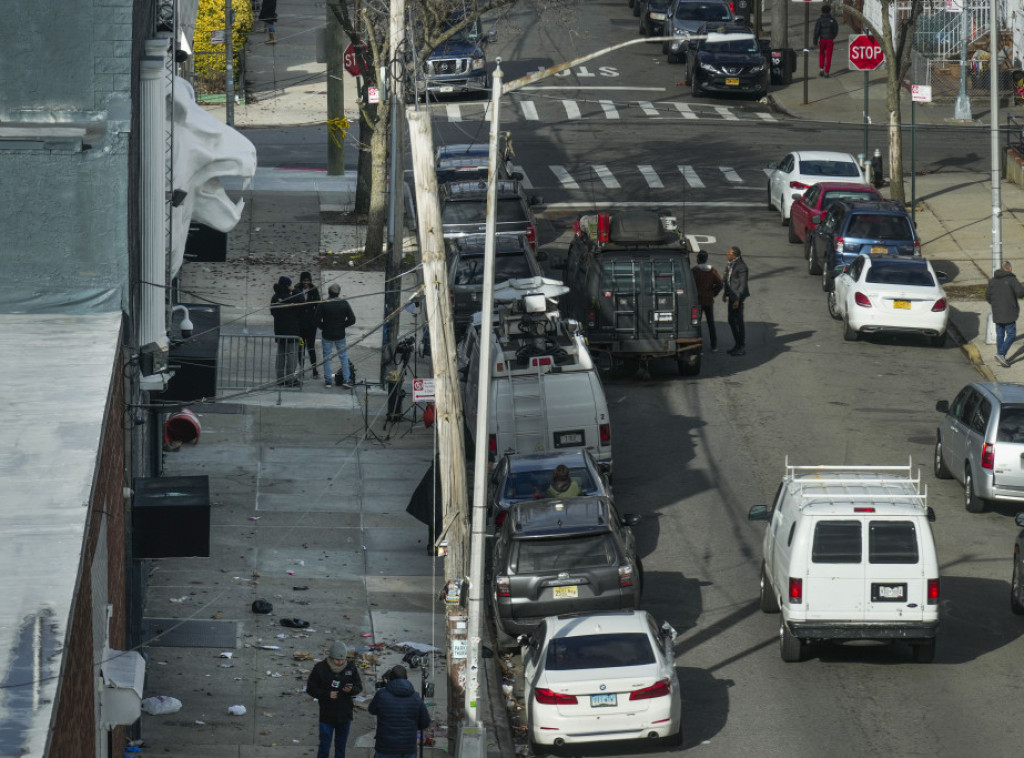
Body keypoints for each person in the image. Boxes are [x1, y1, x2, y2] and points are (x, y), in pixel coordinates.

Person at [306, 641, 363, 758]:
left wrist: (351, 690)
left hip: (345, 715)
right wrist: (327, 694)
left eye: (342, 660)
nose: (340, 662)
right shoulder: (320, 668)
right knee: (324, 746)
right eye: (337, 660)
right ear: (331, 657)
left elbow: (358, 686)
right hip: (327, 715)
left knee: (341, 747)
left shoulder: (351, 667)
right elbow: (311, 688)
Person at [368, 665, 431, 758]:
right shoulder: (415, 697)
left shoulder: (381, 694)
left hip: (385, 747)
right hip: (408, 748)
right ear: (406, 678)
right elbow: (425, 722)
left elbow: (372, 710)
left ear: (390, 678)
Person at [985, 260, 1024, 367]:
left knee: (1000, 334)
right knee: (1011, 334)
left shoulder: (992, 281)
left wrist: (995, 305)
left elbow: (988, 296)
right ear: (1009, 268)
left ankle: (1000, 356)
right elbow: (1020, 293)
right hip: (1009, 312)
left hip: (997, 311)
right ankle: (1001, 354)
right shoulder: (1012, 279)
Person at [318, 283, 357, 388]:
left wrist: (323, 326)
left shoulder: (323, 304)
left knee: (327, 357)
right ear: (338, 292)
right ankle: (346, 379)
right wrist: (343, 326)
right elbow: (352, 319)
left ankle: (328, 381)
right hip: (340, 334)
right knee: (343, 357)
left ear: (329, 292)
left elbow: (316, 319)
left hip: (327, 333)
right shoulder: (344, 303)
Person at [271, 276, 302, 385]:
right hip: (292, 331)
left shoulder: (275, 297)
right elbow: (301, 299)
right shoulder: (291, 297)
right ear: (288, 285)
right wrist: (295, 290)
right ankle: (290, 379)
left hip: (279, 330)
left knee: (281, 354)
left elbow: (273, 312)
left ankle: (280, 379)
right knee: (292, 355)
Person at [692, 250, 724, 352]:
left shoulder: (695, 271)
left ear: (698, 259)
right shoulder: (712, 271)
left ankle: (698, 346)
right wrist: (713, 293)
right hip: (709, 300)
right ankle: (714, 345)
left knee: (696, 324)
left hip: (698, 301)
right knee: (711, 323)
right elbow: (720, 283)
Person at [294, 271, 322, 378]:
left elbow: (318, 305)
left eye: (308, 281)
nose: (306, 283)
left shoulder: (314, 290)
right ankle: (301, 369)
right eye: (304, 281)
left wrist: (315, 320)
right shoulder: (297, 289)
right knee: (301, 346)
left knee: (311, 347)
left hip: (310, 325)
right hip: (300, 324)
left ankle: (314, 369)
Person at [723, 246, 750, 356]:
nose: (727, 255)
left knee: (738, 321)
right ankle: (737, 344)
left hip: (737, 298)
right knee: (731, 320)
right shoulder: (731, 264)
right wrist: (726, 293)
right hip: (732, 296)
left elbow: (742, 285)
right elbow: (727, 280)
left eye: (729, 254)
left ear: (735, 255)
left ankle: (741, 346)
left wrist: (737, 299)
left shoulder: (741, 266)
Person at [813, 5, 839, 78]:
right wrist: (832, 37)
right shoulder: (833, 20)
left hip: (822, 39)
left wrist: (815, 40)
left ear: (822, 11)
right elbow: (835, 30)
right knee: (829, 56)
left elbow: (816, 31)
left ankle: (821, 69)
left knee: (821, 54)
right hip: (830, 40)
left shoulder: (820, 20)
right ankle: (827, 72)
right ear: (829, 11)